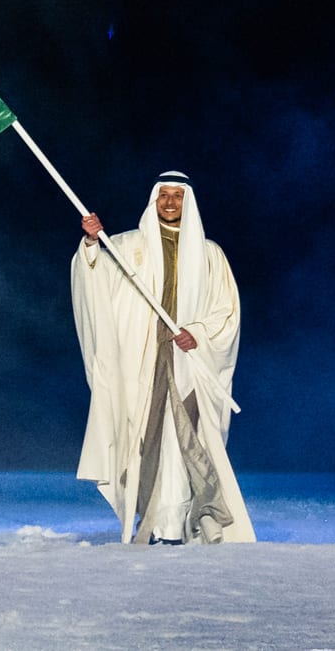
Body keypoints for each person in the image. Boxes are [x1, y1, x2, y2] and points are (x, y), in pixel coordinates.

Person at [71, 172, 254, 544]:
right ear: (154, 199)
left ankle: (180, 525)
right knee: (145, 440)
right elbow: (97, 283)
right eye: (163, 196)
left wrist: (198, 334)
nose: (170, 203)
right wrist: (92, 244)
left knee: (184, 442)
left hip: (187, 364)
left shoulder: (209, 254)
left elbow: (226, 311)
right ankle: (155, 524)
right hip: (141, 362)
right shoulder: (124, 245)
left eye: (178, 196)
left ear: (189, 202)